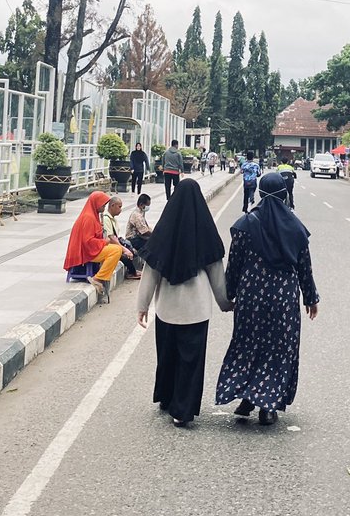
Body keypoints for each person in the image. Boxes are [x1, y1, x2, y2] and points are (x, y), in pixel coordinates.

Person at [216, 172, 320, 425]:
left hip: (251, 295)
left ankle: (246, 398)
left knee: (248, 344)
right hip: (283, 298)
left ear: (260, 193)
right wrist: (311, 297)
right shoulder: (294, 227)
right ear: (284, 193)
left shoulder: (245, 224)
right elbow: (304, 266)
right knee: (277, 348)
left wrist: (228, 295)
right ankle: (268, 406)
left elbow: (235, 265)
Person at [137, 178, 231, 427]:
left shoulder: (164, 232)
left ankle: (166, 397)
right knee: (190, 361)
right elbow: (216, 273)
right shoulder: (206, 231)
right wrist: (224, 303)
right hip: (197, 310)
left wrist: (142, 306)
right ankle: (183, 410)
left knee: (167, 356)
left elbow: (151, 272)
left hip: (167, 309)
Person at [63, 191, 124, 293]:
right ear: (96, 203)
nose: (104, 207)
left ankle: (101, 276)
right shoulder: (89, 218)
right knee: (116, 250)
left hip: (89, 248)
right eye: (103, 204)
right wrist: (104, 242)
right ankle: (97, 278)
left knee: (116, 249)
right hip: (85, 251)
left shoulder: (92, 215)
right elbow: (88, 242)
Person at [102, 194, 140, 279]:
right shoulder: (106, 218)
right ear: (112, 206)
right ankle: (132, 273)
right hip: (109, 245)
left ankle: (133, 271)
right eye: (119, 207)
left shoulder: (112, 218)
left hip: (114, 244)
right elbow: (111, 238)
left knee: (132, 251)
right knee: (125, 256)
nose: (120, 209)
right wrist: (124, 249)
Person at [125, 192, 153, 260]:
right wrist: (154, 235)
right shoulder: (137, 215)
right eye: (147, 205)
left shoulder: (141, 212)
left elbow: (145, 227)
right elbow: (144, 231)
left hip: (139, 236)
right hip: (133, 239)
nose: (148, 207)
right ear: (141, 204)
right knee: (152, 244)